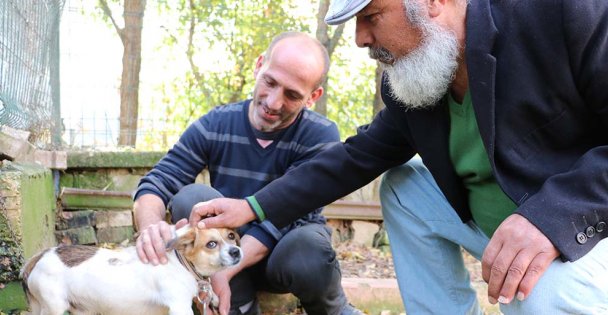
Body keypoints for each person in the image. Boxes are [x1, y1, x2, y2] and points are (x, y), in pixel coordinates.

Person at [188, 0, 608, 314]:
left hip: (587, 227)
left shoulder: (562, 14)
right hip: (498, 230)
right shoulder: (415, 84)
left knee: (542, 295)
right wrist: (251, 207)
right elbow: (354, 159)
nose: (359, 38)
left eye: (372, 16)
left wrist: (553, 217)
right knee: (405, 186)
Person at [132, 32, 364, 315]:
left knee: (308, 247)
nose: (274, 102)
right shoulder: (216, 123)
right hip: (226, 251)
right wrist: (149, 230)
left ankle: (333, 310)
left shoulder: (321, 135)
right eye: (270, 82)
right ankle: (239, 306)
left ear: (313, 97)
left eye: (292, 95)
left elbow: (287, 217)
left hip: (283, 256)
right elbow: (157, 182)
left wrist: (223, 273)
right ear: (258, 66)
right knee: (192, 197)